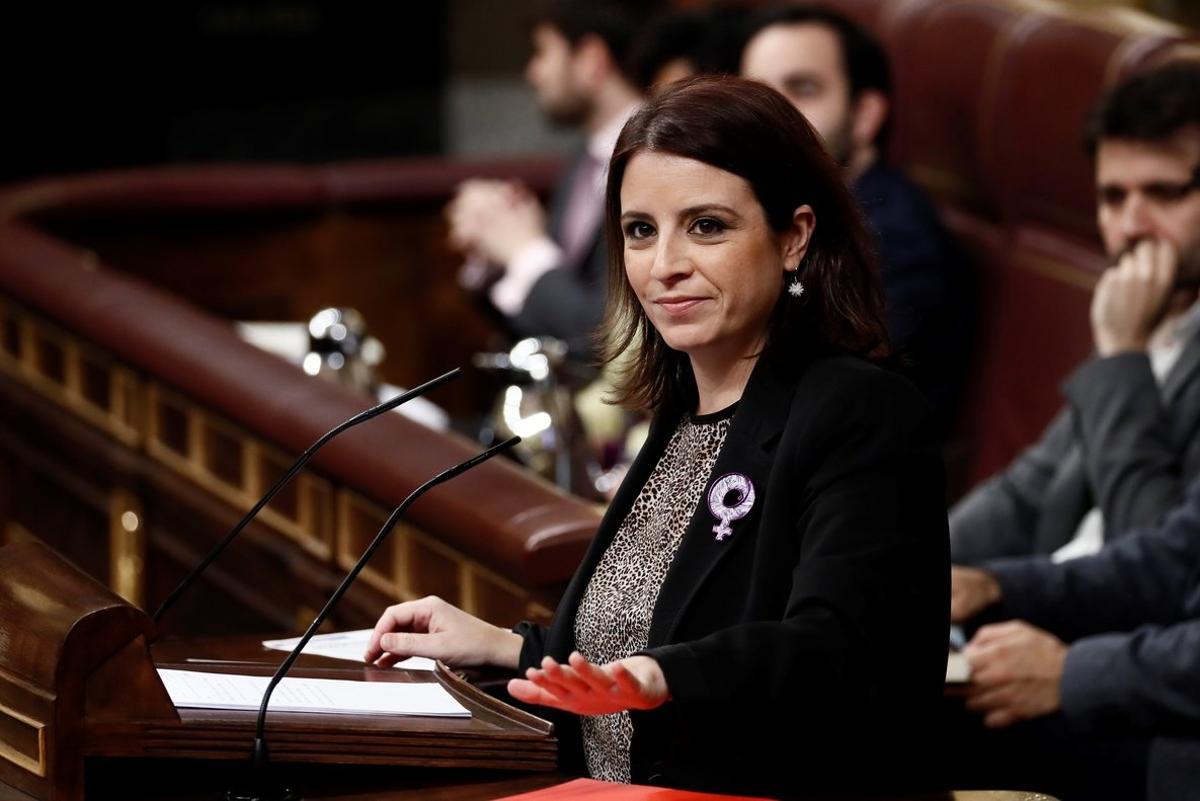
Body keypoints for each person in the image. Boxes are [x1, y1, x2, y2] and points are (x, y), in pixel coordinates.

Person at [366, 76, 948, 798]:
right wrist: (505, 644)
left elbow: (838, 648)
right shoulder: (685, 406)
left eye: (706, 225)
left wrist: (659, 674)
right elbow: (640, 633)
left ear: (795, 236)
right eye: (641, 230)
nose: (664, 264)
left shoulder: (858, 410)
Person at [949, 61, 1200, 566]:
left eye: (1164, 193)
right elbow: (1029, 491)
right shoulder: (1150, 311)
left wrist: (1123, 359)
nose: (1131, 226)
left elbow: (1157, 561)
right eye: (1113, 197)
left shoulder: (1130, 328)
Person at [739, 5, 967, 425]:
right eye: (758, 95)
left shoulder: (896, 241)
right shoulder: (772, 209)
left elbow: (815, 400)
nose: (769, 116)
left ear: (864, 115)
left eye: (802, 89)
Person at [447, 0, 651, 363]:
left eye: (542, 53)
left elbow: (611, 337)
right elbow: (555, 313)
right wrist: (498, 245)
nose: (532, 72)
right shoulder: (581, 162)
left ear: (590, 60)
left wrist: (525, 252)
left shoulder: (657, 161)